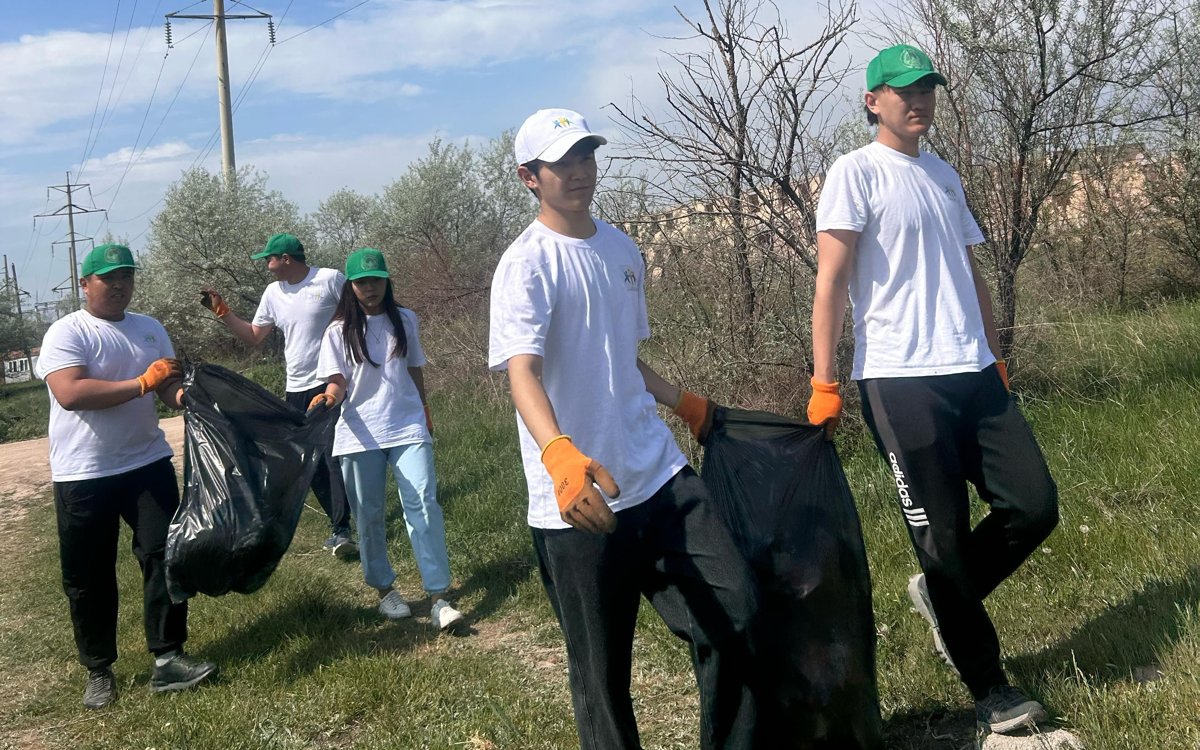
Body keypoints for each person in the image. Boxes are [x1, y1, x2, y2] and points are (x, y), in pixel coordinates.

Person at [808, 44, 1059, 735]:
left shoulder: (944, 174)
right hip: (900, 380)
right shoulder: (853, 173)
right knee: (941, 540)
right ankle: (992, 692)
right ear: (873, 101)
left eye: (928, 90)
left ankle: (942, 598)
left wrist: (997, 356)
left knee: (1033, 506)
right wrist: (823, 380)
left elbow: (968, 271)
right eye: (904, 91)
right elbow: (830, 280)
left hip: (973, 371)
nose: (919, 101)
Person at [488, 108, 759, 749]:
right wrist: (559, 455)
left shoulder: (620, 248)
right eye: (562, 162)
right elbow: (522, 373)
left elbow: (620, 357)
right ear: (530, 177)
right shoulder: (525, 265)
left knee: (737, 614)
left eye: (586, 155)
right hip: (579, 498)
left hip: (656, 472)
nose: (579, 171)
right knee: (601, 676)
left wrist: (683, 402)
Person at [36, 243, 218, 710]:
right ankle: (99, 669)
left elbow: (169, 384)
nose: (119, 285)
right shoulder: (67, 332)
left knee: (164, 557)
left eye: (126, 276)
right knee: (88, 574)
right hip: (84, 471)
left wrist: (183, 398)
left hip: (146, 463)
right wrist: (141, 383)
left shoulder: (150, 329)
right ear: (85, 284)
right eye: (108, 277)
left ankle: (168, 658)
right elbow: (71, 392)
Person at [312, 248, 465, 630]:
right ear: (351, 286)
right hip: (358, 434)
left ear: (387, 280)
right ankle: (384, 590)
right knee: (370, 513)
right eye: (362, 282)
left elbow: (415, 371)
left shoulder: (405, 320)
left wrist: (425, 413)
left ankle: (438, 597)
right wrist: (328, 398)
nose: (370, 288)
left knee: (424, 504)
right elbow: (337, 382)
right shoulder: (337, 332)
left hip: (407, 426)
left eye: (376, 280)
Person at [199, 233, 356, 558]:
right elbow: (255, 336)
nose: (266, 266)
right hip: (295, 387)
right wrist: (222, 311)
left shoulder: (328, 280)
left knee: (330, 455)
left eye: (269, 259)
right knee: (307, 461)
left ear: (286, 258)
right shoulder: (273, 293)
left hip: (331, 380)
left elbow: (356, 317)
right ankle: (341, 522)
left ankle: (343, 531)